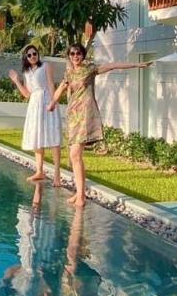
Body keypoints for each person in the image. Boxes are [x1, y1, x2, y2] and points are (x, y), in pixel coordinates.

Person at [48, 43, 147, 206]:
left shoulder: (90, 69)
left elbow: (112, 66)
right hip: (72, 116)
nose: (75, 56)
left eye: (78, 53)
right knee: (75, 157)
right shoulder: (69, 73)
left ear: (83, 55)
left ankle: (80, 196)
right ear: (69, 56)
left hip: (85, 115)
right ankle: (79, 193)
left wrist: (136, 64)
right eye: (72, 54)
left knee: (74, 155)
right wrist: (52, 103)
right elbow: (61, 88)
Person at [9, 44, 62, 187]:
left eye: (35, 53)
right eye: (30, 55)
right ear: (26, 58)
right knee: (37, 137)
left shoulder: (46, 66)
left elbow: (51, 85)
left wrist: (53, 102)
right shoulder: (26, 73)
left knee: (52, 137)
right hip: (34, 105)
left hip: (46, 102)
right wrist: (16, 81)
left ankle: (57, 175)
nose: (33, 56)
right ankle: (40, 171)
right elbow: (26, 94)